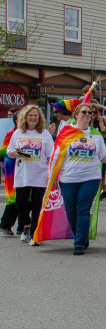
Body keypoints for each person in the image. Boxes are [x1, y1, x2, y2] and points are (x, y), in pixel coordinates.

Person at [59, 102, 106, 255]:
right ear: (76, 114)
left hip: (90, 177)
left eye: (90, 112)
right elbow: (56, 157)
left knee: (83, 209)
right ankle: (82, 236)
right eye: (84, 112)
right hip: (68, 178)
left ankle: (79, 243)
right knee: (71, 211)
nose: (87, 114)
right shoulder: (67, 133)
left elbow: (103, 157)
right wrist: (52, 176)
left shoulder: (96, 135)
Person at [8, 105, 53, 245]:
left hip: (40, 174)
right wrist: (15, 152)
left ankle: (35, 234)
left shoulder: (44, 134)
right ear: (25, 117)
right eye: (30, 115)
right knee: (20, 203)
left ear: (39, 118)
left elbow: (50, 154)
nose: (33, 117)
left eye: (36, 115)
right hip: (23, 174)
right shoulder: (18, 133)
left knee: (37, 206)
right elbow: (9, 151)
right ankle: (26, 225)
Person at [0, 109, 21, 237]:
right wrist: (15, 153)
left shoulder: (28, 133)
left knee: (25, 198)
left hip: (24, 169)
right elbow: (3, 151)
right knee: (14, 198)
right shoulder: (12, 133)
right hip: (13, 169)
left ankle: (22, 225)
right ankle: (5, 224)